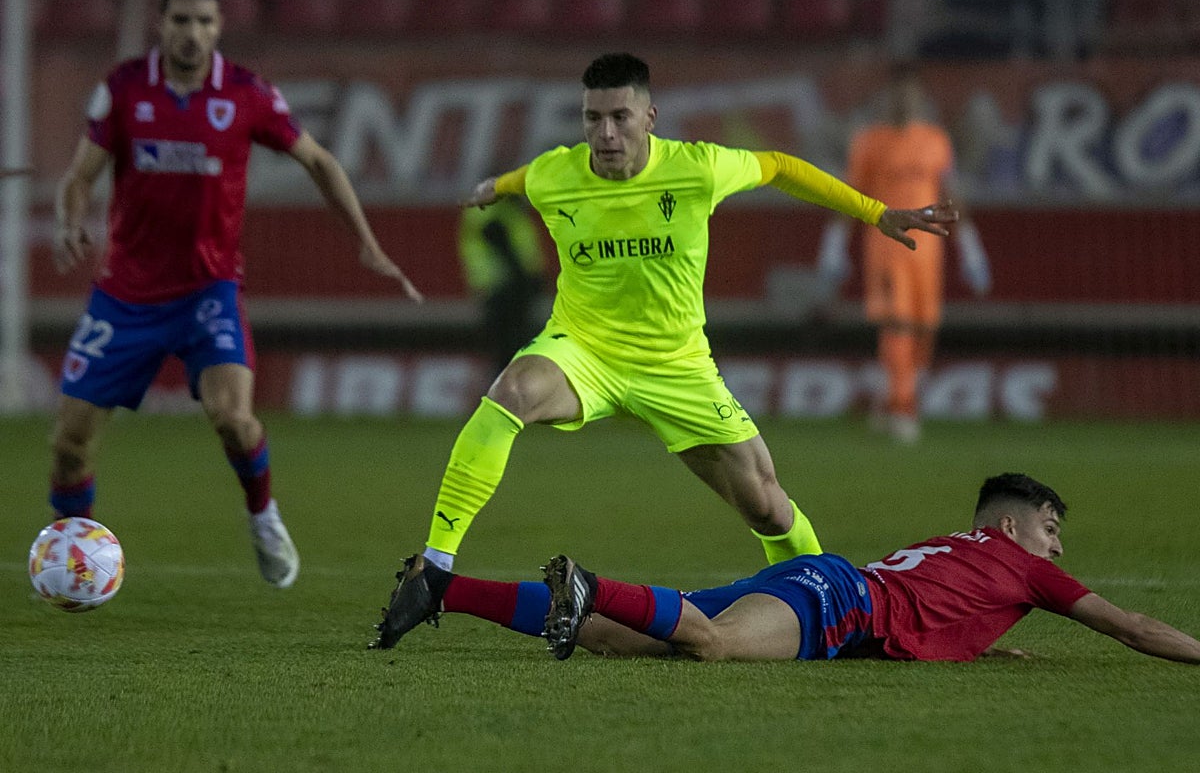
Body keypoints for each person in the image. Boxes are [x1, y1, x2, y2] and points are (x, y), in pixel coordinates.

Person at [372, 52, 956, 648]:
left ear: (650, 117)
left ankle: (835, 608)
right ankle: (435, 565)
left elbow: (779, 166)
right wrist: (492, 187)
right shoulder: (557, 174)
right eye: (592, 118)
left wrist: (877, 212)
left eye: (620, 117)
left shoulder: (698, 168)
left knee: (769, 510)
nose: (605, 133)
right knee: (509, 393)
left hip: (678, 368)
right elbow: (526, 177)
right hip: (583, 352)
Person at [49, 0, 422, 589]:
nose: (192, 33)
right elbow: (79, 176)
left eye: (203, 21)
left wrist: (367, 244)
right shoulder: (123, 88)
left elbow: (319, 160)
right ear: (160, 25)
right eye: (180, 20)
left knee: (233, 416)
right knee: (68, 445)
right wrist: (69, 219)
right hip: (125, 295)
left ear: (219, 26)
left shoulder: (247, 94)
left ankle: (263, 514)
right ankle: (71, 562)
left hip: (208, 290)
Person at [370, 473, 1200, 665]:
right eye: (1052, 530)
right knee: (715, 645)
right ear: (1016, 526)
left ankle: (448, 585)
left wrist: (983, 649)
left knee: (620, 643)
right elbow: (1129, 626)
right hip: (837, 600)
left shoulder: (958, 548)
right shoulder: (1026, 569)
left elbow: (935, 611)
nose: (1059, 548)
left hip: (826, 582)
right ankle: (586, 582)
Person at [817, 62, 990, 443]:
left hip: (929, 251)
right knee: (897, 323)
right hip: (887, 246)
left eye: (909, 92)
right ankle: (902, 406)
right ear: (887, 96)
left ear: (918, 96)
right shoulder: (869, 141)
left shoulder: (935, 141)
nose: (903, 99)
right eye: (897, 92)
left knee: (924, 329)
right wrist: (834, 246)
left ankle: (892, 398)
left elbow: (949, 193)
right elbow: (850, 195)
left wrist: (970, 247)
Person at [458, 196, 546, 378]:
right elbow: (499, 239)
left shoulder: (498, 211)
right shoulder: (497, 211)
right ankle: (510, 391)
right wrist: (526, 278)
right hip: (505, 287)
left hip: (499, 287)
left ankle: (506, 389)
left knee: (506, 345)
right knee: (511, 344)